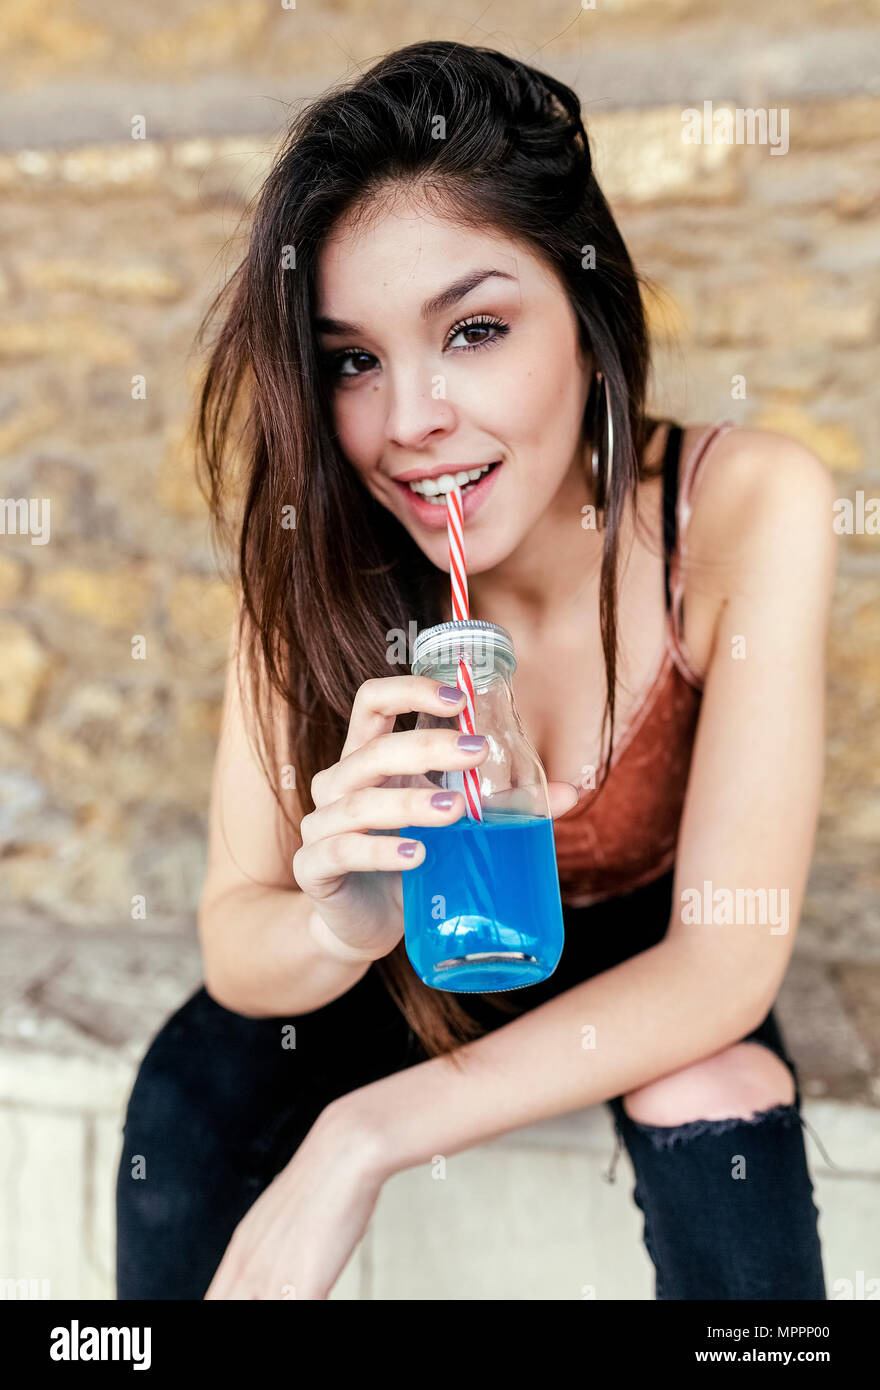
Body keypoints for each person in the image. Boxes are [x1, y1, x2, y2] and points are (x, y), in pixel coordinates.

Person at [116, 41, 836, 1300]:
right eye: (353, 359)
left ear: (587, 310)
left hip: (643, 961)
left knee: (717, 1090)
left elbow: (725, 961)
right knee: (191, 1095)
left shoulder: (742, 507)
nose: (409, 422)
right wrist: (347, 913)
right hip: (400, 968)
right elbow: (240, 944)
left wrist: (365, 1137)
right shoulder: (313, 556)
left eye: (477, 328)